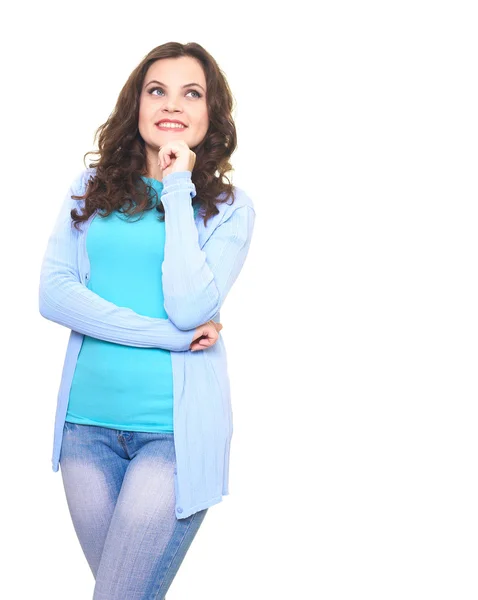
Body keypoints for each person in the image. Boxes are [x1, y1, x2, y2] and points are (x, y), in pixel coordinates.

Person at [38, 41, 256, 600]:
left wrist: (179, 188)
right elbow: (55, 294)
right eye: (157, 90)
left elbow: (189, 305)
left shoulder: (229, 208)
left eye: (192, 93)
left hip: (173, 439)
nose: (172, 104)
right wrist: (167, 338)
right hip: (85, 432)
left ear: (212, 115)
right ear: (136, 103)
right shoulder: (88, 191)